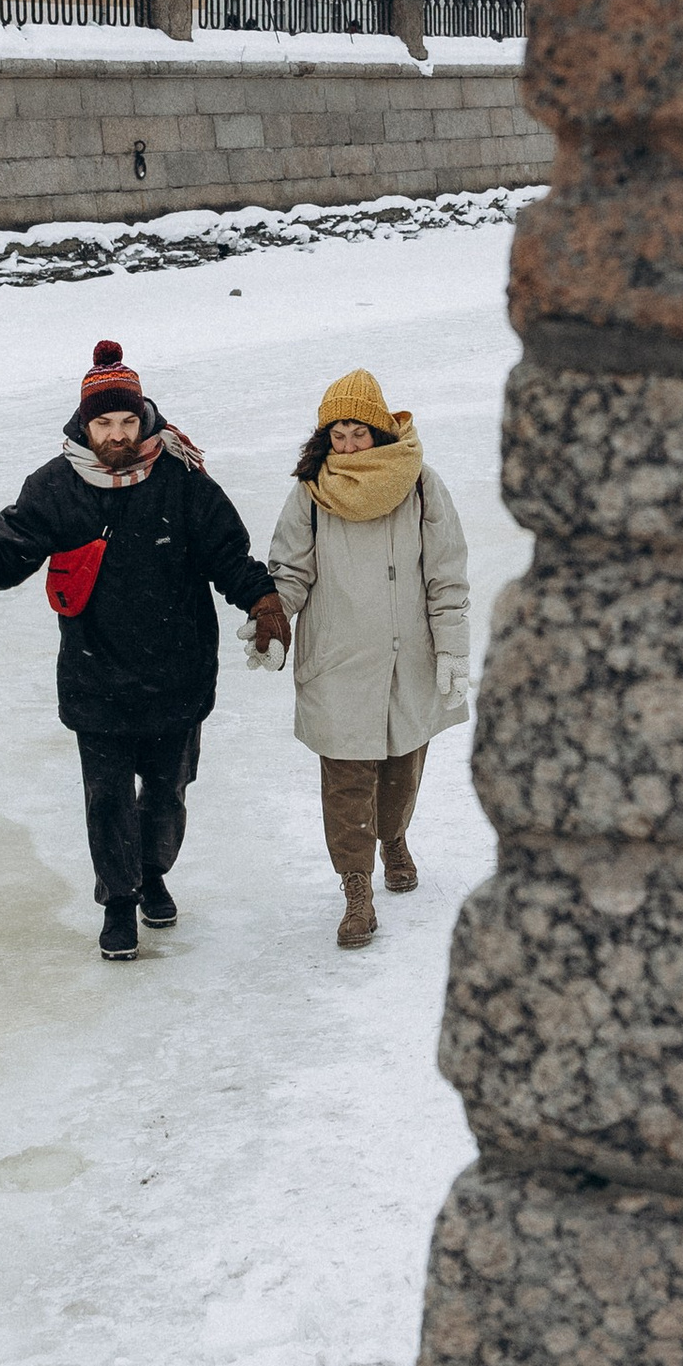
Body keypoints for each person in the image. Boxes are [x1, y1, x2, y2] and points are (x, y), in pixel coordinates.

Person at [0, 337, 289, 962]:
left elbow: (227, 555)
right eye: (105, 422)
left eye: (129, 421)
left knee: (167, 792)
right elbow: (7, 547)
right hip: (96, 676)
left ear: (146, 418)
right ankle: (120, 903)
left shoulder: (181, 479)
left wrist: (263, 602)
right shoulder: (56, 488)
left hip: (178, 672)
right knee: (106, 801)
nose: (118, 435)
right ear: (85, 423)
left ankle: (152, 871)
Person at [265, 369, 470, 950]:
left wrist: (452, 645)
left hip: (410, 657)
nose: (349, 445)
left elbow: (446, 576)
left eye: (359, 433)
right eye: (338, 435)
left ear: (379, 432)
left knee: (403, 761)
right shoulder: (311, 492)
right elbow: (290, 570)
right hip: (338, 657)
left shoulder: (422, 486)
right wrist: (273, 621)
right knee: (346, 775)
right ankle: (357, 888)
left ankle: (394, 838)